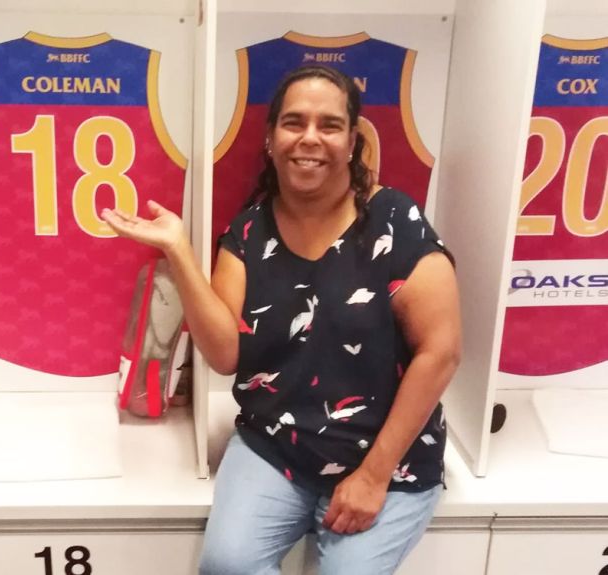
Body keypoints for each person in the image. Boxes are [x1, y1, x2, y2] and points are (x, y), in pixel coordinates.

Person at [101, 64, 461, 575]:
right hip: (276, 446)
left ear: (353, 141)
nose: (310, 138)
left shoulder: (396, 222)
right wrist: (178, 250)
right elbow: (226, 356)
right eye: (294, 123)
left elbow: (441, 352)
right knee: (227, 566)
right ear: (271, 139)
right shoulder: (248, 232)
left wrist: (373, 476)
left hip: (386, 457)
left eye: (329, 125)